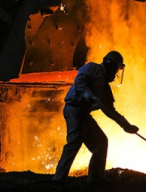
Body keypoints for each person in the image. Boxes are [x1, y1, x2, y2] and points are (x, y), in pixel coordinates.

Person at [52, 51, 139, 184]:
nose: (116, 73)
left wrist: (126, 126)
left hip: (83, 114)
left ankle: (96, 180)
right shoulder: (93, 68)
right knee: (74, 143)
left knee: (101, 143)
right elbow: (80, 81)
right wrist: (90, 96)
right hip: (74, 109)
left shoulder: (104, 87)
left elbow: (110, 111)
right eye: (116, 68)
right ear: (111, 65)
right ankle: (58, 180)